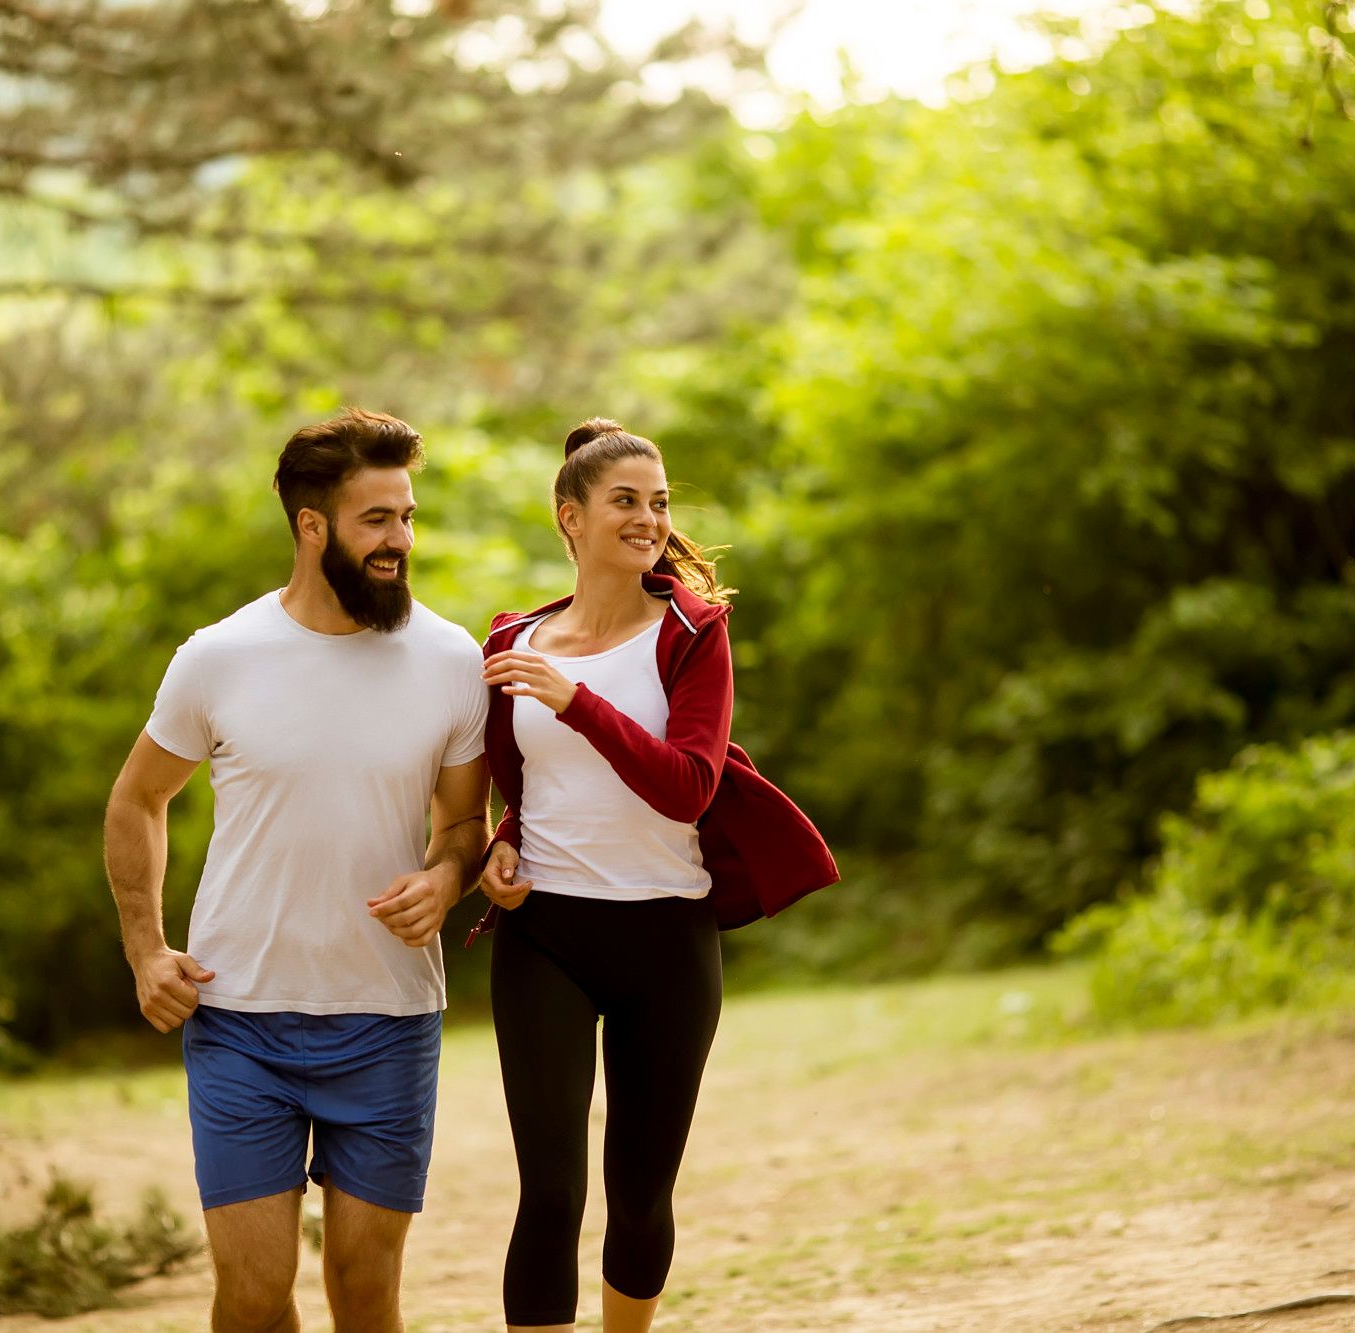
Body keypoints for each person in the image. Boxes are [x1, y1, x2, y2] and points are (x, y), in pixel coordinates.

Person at [103, 408, 491, 1333]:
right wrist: (146, 950)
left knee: (364, 1291)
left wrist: (445, 881)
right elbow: (136, 800)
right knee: (252, 1292)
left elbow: (465, 824)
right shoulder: (219, 657)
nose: (399, 540)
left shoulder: (449, 660)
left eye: (406, 516)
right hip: (241, 1021)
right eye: (376, 520)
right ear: (311, 526)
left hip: (388, 1020)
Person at [473, 418, 837, 1332]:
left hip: (667, 942)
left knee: (638, 1197)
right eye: (625, 501)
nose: (648, 518)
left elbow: (686, 787)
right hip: (545, 933)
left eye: (660, 501)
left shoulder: (692, 632)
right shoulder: (514, 639)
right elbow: (516, 780)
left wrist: (577, 699)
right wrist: (499, 843)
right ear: (571, 517)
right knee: (549, 1194)